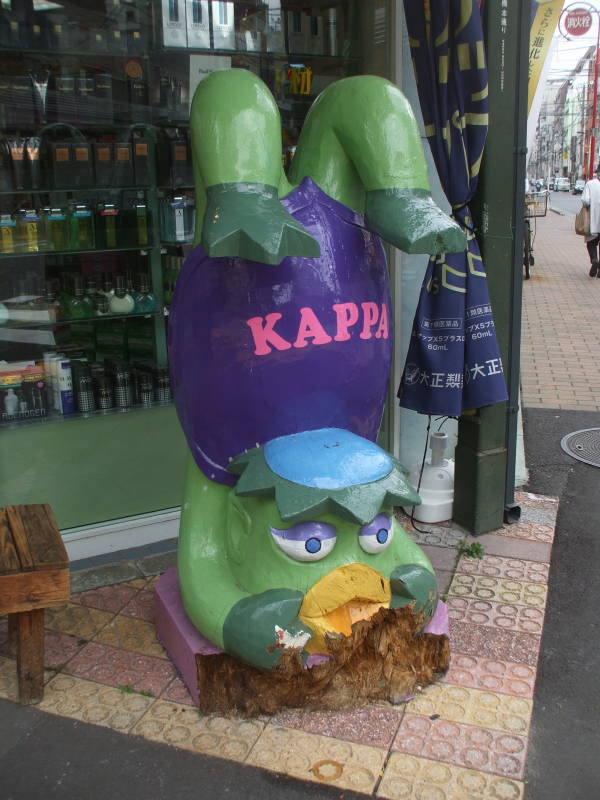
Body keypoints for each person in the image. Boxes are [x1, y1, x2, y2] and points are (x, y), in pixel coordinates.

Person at [582, 165, 600, 276]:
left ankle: (594, 259)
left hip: (594, 219)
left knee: (591, 243)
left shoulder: (591, 184)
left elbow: (585, 200)